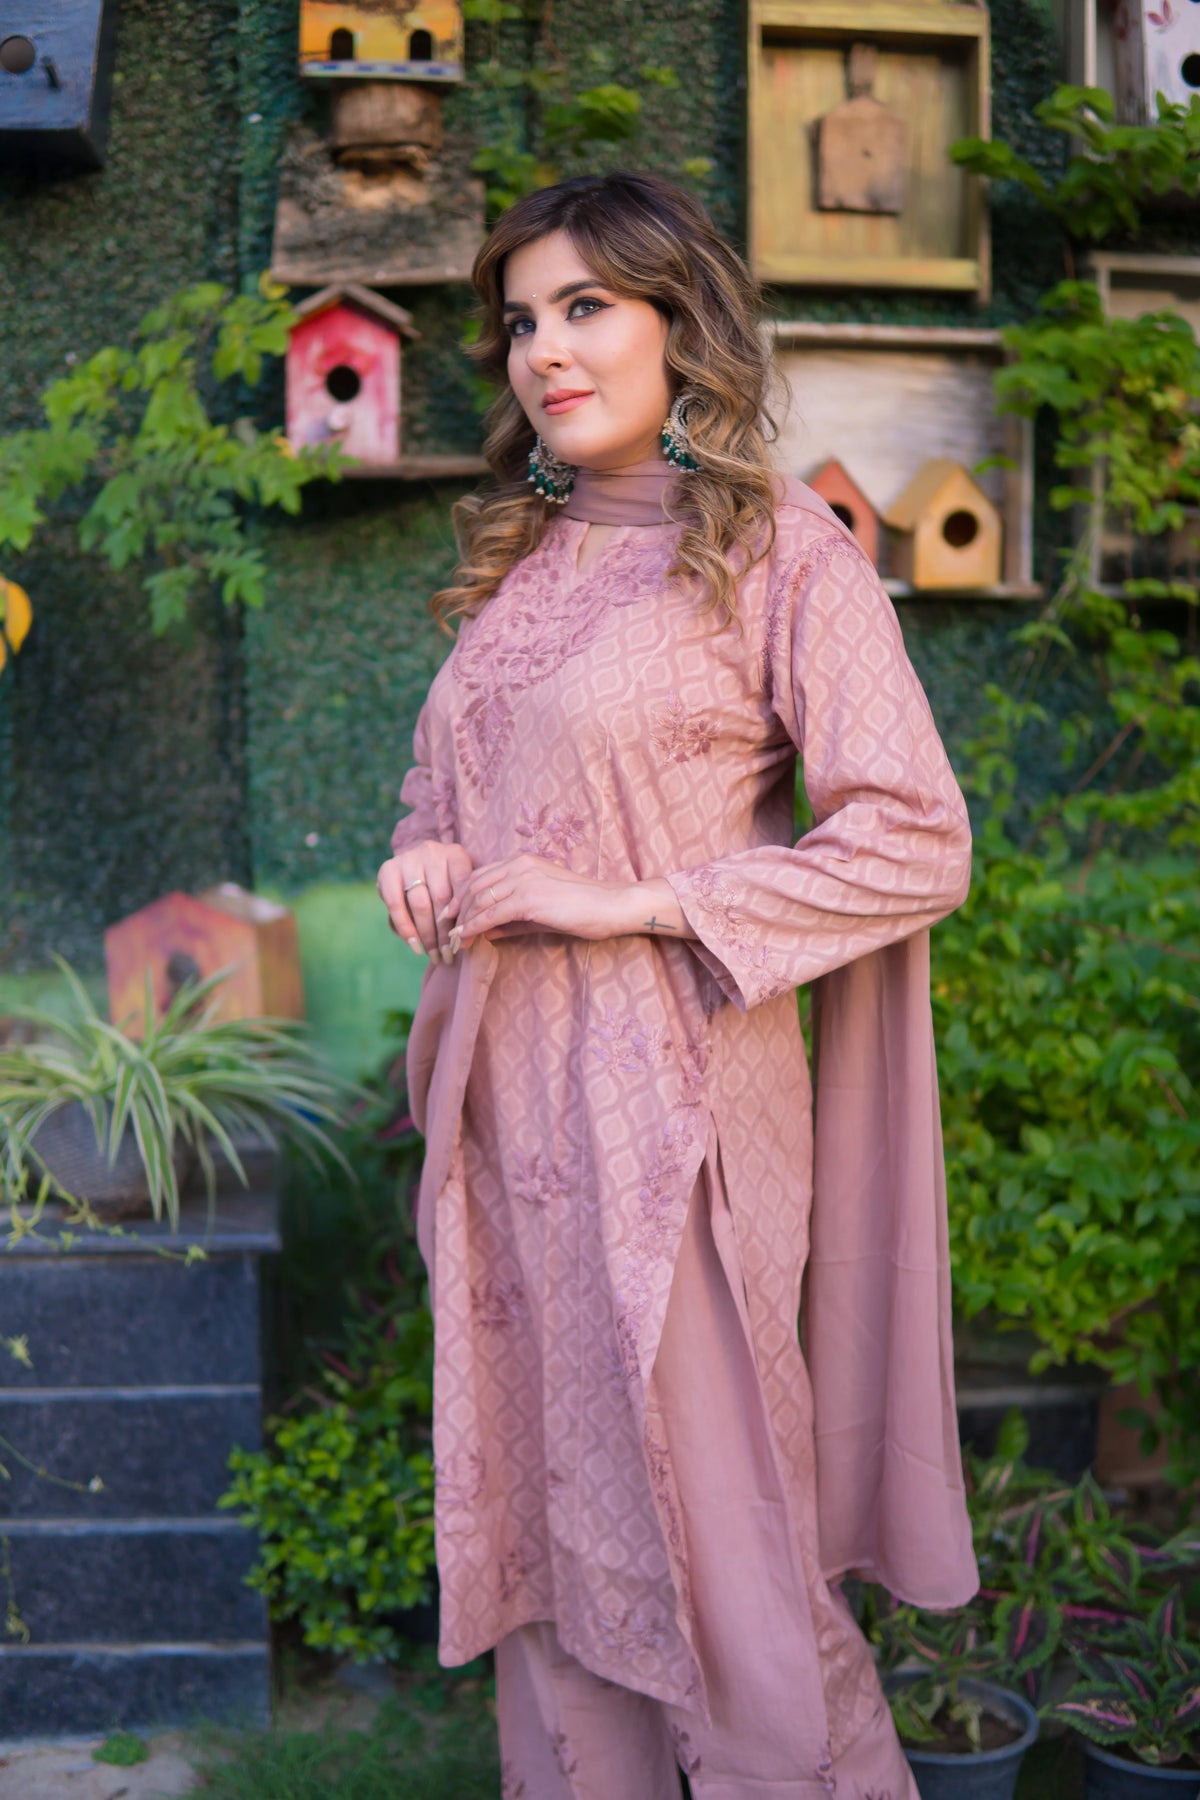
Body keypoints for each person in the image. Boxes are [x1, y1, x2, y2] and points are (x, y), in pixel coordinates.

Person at [377, 171, 979, 1800]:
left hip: (673, 1125)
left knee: (727, 1559)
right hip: (508, 1138)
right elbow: (458, 789)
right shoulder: (531, 557)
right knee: (559, 1549)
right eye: (519, 321)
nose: (542, 353)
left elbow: (921, 840)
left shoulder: (784, 555)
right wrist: (424, 853)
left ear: (678, 321)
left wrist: (631, 897)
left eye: (586, 308)